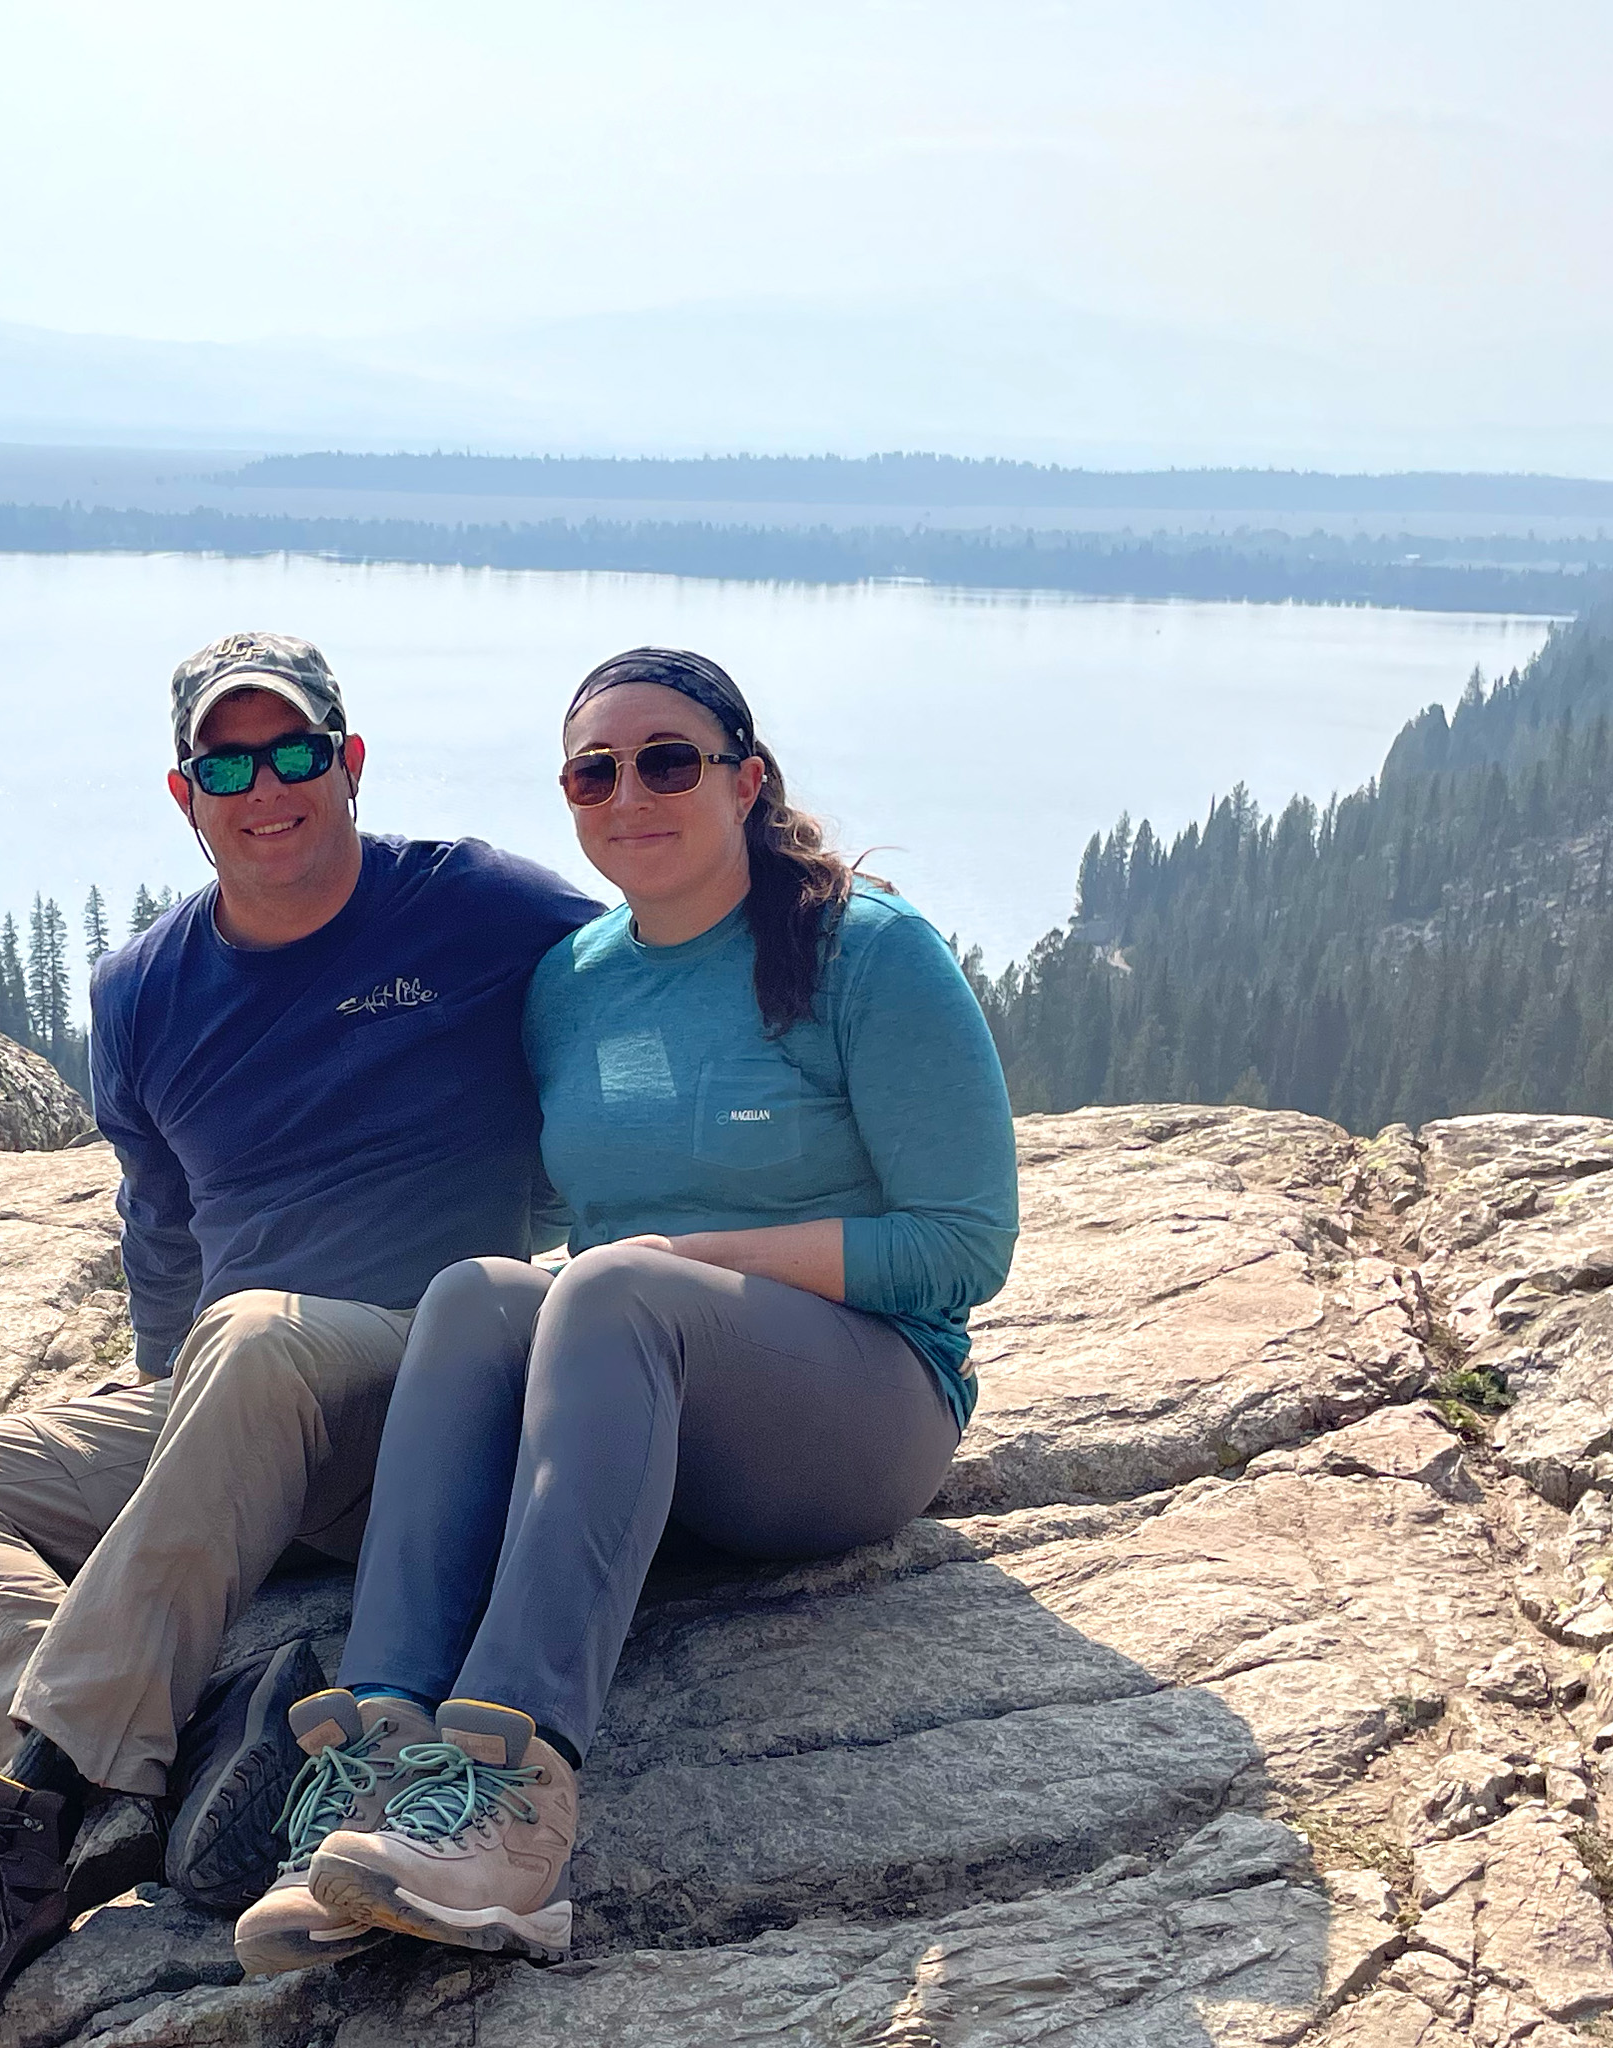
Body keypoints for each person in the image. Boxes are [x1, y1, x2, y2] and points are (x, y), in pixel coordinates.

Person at [0, 632, 602, 2046]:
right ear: (186, 794)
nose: (267, 785)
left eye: (296, 751)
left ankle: (30, 1816)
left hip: (420, 1400)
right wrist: (174, 1428)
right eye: (228, 763)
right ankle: (187, 1770)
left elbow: (658, 950)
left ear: (349, 763)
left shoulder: (474, 907)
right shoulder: (143, 992)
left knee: (251, 1340)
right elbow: (162, 1230)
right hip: (231, 1400)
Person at [235, 645, 1020, 1968]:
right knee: (480, 1294)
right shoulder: (574, 984)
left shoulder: (867, 953)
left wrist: (710, 1258)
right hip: (662, 1428)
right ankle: (380, 1771)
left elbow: (962, 1243)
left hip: (859, 1412)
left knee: (608, 1286)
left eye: (669, 761)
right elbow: (551, 1219)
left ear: (744, 779)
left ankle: (513, 1812)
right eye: (593, 771)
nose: (628, 793)